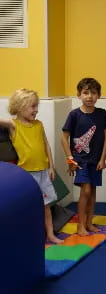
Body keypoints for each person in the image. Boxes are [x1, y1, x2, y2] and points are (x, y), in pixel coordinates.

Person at [0, 89, 63, 243]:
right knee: (28, 206)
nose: (36, 110)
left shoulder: (38, 124)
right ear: (20, 106)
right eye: (32, 106)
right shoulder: (13, 125)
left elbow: (46, 145)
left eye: (37, 106)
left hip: (43, 171)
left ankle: (50, 234)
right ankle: (29, 236)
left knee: (46, 206)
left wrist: (52, 167)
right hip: (26, 174)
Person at [61, 78, 106, 236]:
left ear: (99, 95)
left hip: (95, 160)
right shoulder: (74, 115)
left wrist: (103, 158)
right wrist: (70, 158)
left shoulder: (102, 114)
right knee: (86, 190)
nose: (89, 96)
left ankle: (89, 223)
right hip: (80, 161)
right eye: (85, 92)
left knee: (93, 191)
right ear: (79, 95)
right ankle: (80, 225)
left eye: (93, 93)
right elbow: (64, 138)